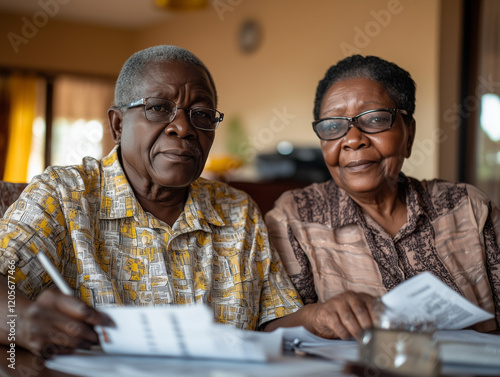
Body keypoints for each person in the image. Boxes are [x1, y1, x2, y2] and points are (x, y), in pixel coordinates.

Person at [0, 45, 303, 358]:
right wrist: (19, 321)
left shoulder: (239, 211)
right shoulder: (64, 194)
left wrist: (321, 318)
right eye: (158, 108)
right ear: (118, 125)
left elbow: (275, 321)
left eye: (201, 114)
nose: (183, 128)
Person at [264, 55, 500, 339]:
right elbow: (267, 328)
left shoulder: (469, 208)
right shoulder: (295, 217)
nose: (352, 139)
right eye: (332, 126)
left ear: (409, 135)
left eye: (375, 119)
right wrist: (314, 317)